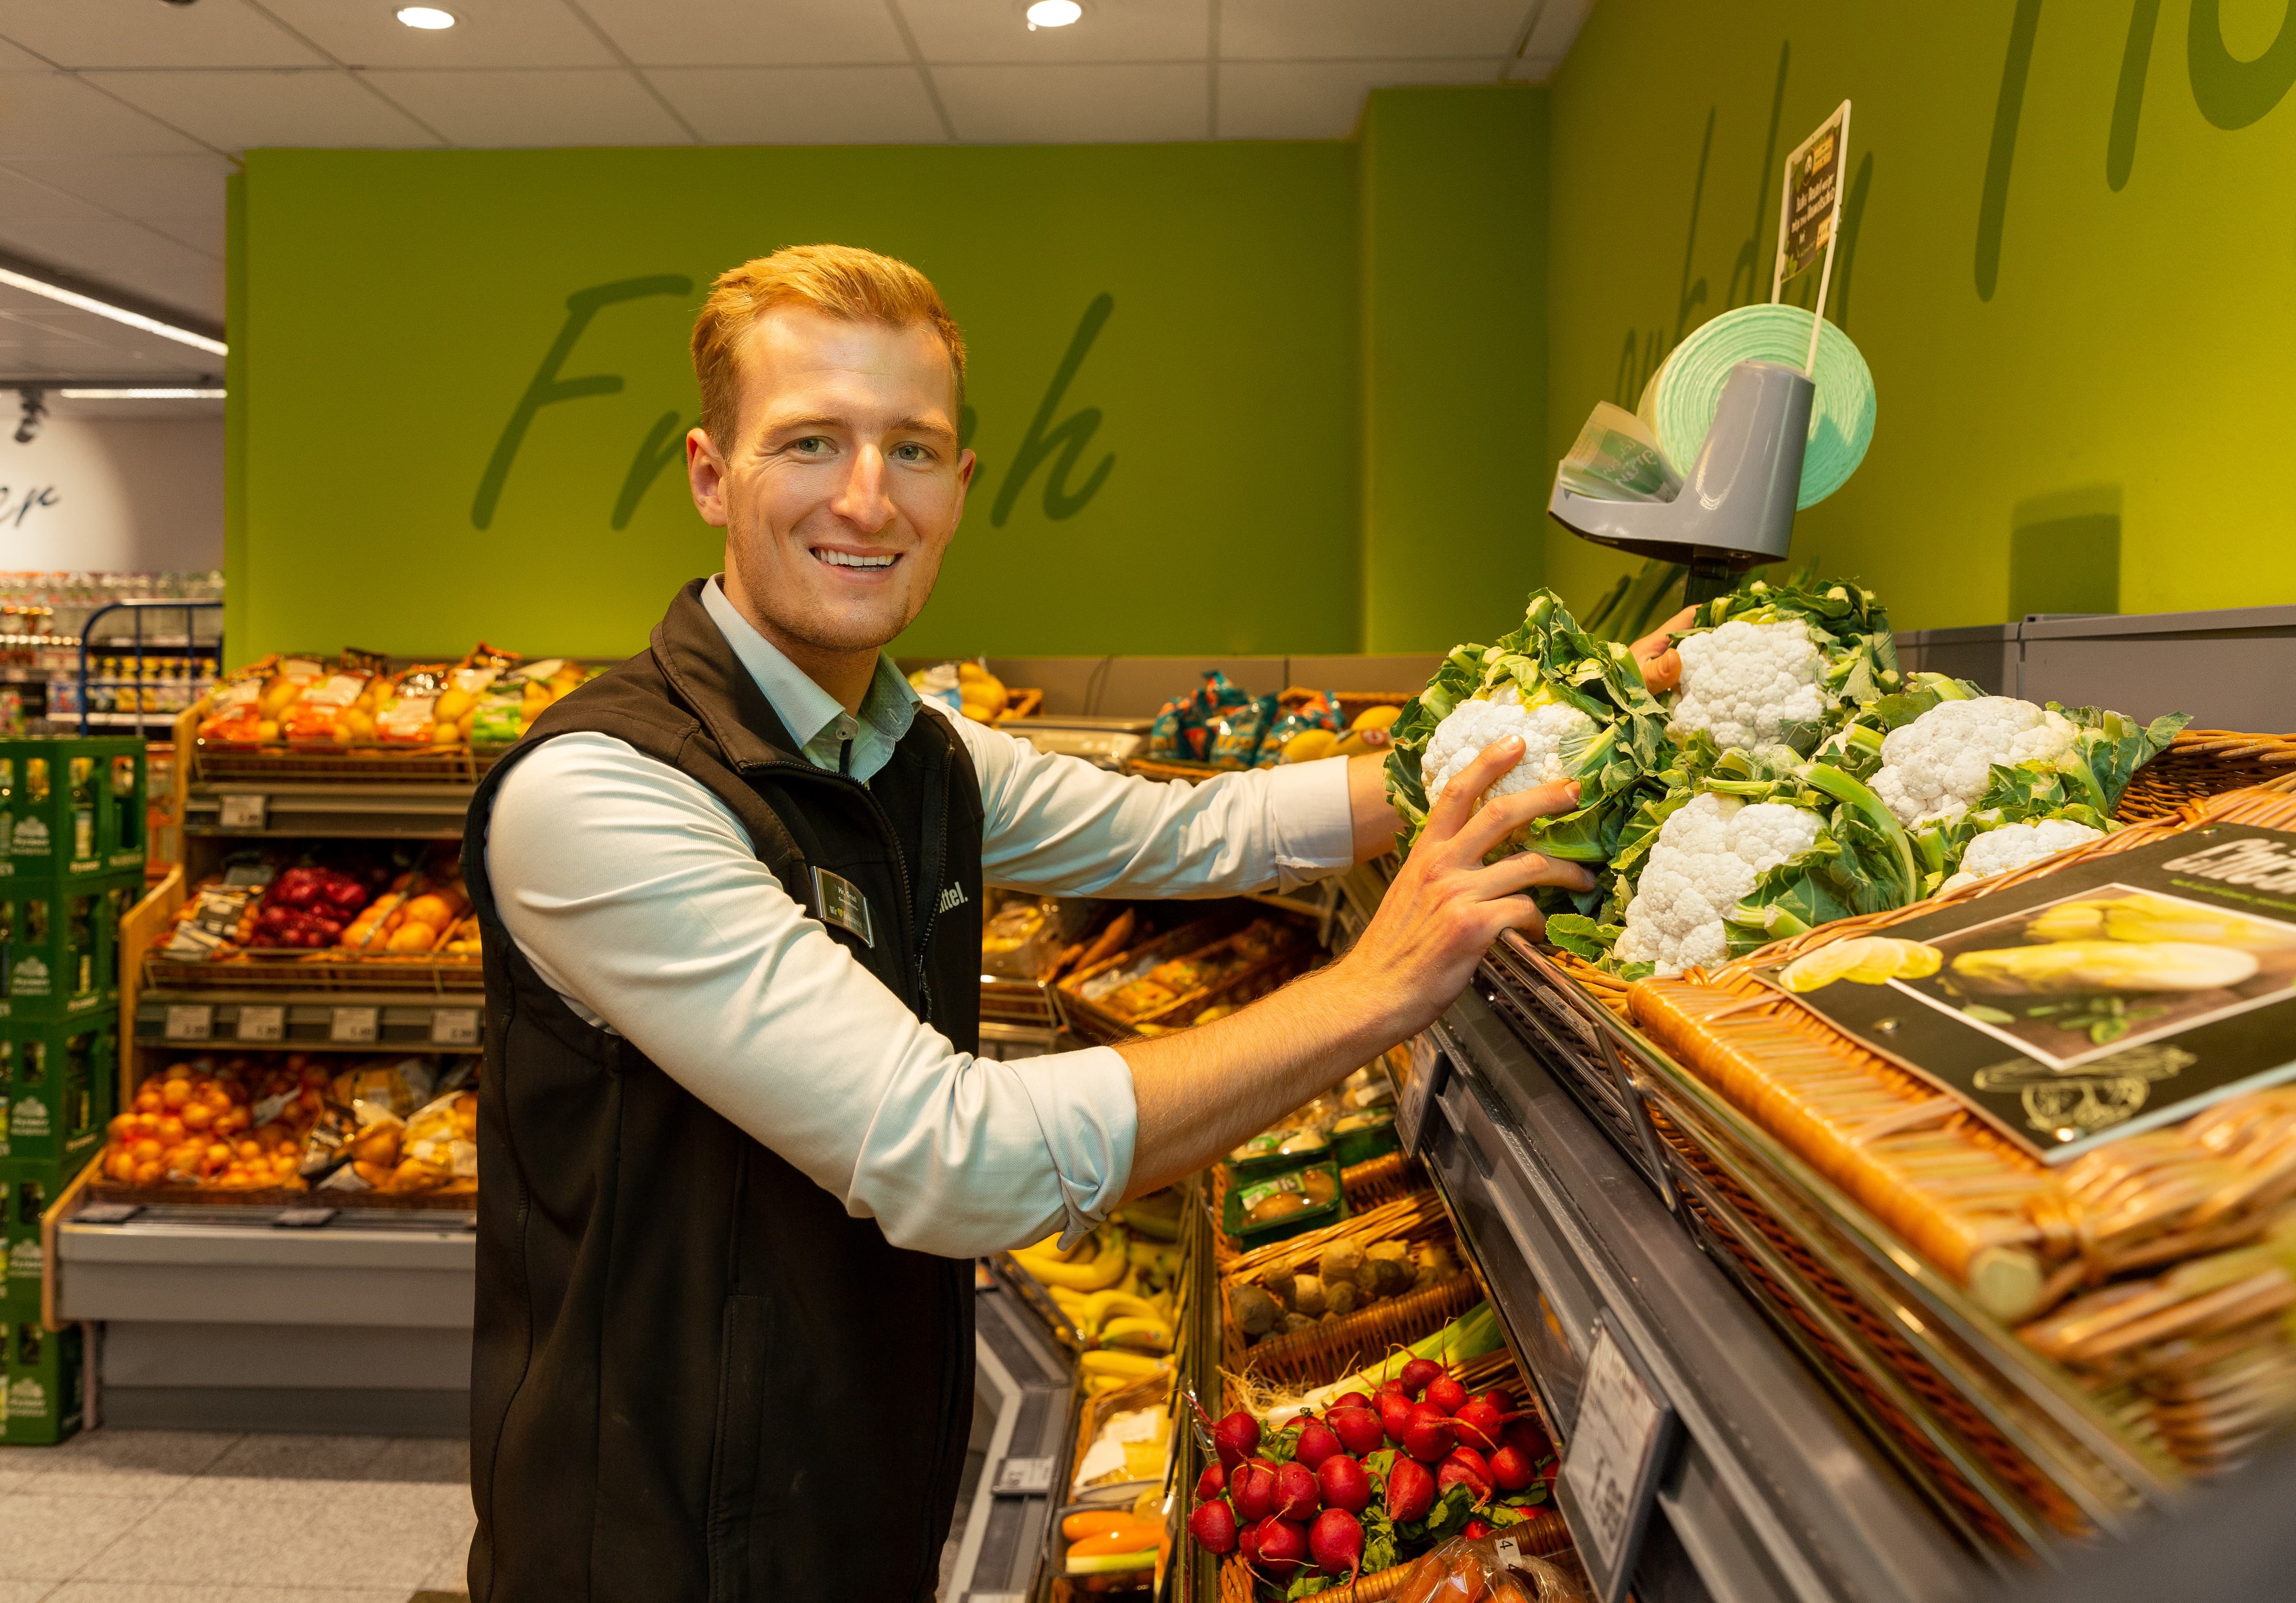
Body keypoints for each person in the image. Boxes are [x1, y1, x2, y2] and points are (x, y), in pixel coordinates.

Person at [459, 243, 1595, 1601]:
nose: (868, 500)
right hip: (647, 1539)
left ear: (961, 486)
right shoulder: (604, 795)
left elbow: (1187, 829)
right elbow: (947, 1157)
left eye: (914, 450)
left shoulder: (913, 750)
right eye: (810, 441)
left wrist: (1530, 739)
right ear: (711, 474)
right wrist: (1373, 987)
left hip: (853, 1487)